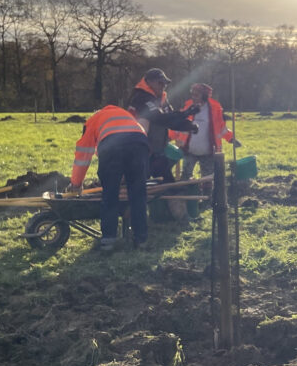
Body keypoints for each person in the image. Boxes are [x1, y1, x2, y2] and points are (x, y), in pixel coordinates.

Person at [67, 106, 150, 250]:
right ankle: (141, 240)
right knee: (138, 194)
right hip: (140, 142)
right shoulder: (123, 114)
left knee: (110, 194)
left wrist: (76, 183)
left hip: (113, 145)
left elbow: (83, 155)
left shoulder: (93, 121)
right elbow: (130, 142)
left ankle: (108, 241)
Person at [126, 68, 199, 182]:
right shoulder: (141, 97)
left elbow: (170, 118)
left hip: (155, 150)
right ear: (149, 82)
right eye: (160, 83)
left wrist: (188, 125)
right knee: (139, 183)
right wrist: (185, 113)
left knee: (166, 182)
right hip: (139, 149)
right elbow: (159, 118)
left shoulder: (161, 98)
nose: (163, 86)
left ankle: (166, 197)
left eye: (165, 83)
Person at [178, 83, 240, 180]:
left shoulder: (214, 109)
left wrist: (231, 139)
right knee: (185, 177)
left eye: (196, 95)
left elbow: (221, 128)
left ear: (204, 96)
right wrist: (169, 137)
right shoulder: (188, 107)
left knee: (207, 179)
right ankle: (187, 192)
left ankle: (207, 194)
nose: (193, 98)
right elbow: (178, 125)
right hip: (189, 151)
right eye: (192, 94)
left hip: (208, 152)